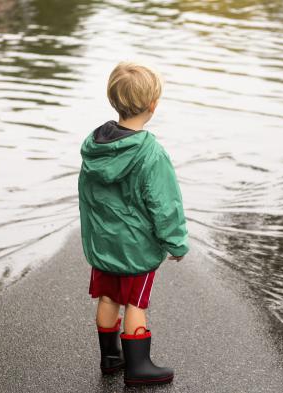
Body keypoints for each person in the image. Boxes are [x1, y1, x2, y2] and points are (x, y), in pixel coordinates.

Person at [77, 61, 190, 387]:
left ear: (114, 100)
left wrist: (95, 233)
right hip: (135, 248)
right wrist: (176, 242)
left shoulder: (95, 146)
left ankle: (111, 357)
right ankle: (138, 367)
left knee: (108, 297)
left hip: (104, 243)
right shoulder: (150, 153)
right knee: (135, 303)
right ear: (153, 105)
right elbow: (164, 204)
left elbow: (87, 194)